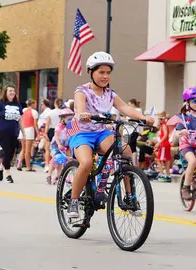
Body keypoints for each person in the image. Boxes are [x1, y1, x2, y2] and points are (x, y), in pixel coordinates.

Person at [66, 52, 154, 218]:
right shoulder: (82, 91)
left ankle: (129, 197)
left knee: (126, 152)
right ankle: (74, 201)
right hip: (82, 133)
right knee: (85, 163)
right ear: (91, 72)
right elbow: (80, 106)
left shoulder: (110, 94)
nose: (105, 76)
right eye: (101, 72)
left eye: (108, 73)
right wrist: (83, 113)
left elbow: (125, 108)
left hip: (100, 132)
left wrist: (143, 118)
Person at [0, 85, 25, 183]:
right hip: (1, 131)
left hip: (13, 132)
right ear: (5, 92)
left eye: (13, 91)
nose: (12, 92)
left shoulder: (17, 105)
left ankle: (1, 167)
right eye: (10, 91)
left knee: (11, 153)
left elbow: (20, 120)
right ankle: (8, 174)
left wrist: (24, 133)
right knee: (7, 151)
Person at [47, 108, 74, 184]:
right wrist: (59, 144)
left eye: (72, 119)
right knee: (56, 159)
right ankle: (49, 175)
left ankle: (59, 176)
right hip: (56, 145)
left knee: (64, 160)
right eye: (69, 119)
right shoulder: (59, 126)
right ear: (63, 119)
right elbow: (56, 136)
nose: (70, 121)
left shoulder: (70, 126)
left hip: (66, 145)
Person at [21, 99, 39, 171]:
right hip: (29, 130)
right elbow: (35, 124)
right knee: (28, 150)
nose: (36, 105)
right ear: (32, 104)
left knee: (24, 149)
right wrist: (38, 133)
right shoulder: (34, 112)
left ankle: (20, 164)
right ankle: (28, 166)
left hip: (22, 129)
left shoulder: (23, 110)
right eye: (35, 104)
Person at [155, 111, 172, 182]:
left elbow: (165, 135)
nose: (159, 120)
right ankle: (167, 174)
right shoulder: (163, 125)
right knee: (166, 160)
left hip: (164, 145)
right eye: (158, 119)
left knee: (159, 160)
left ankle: (161, 174)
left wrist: (159, 143)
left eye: (160, 118)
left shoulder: (164, 125)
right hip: (165, 144)